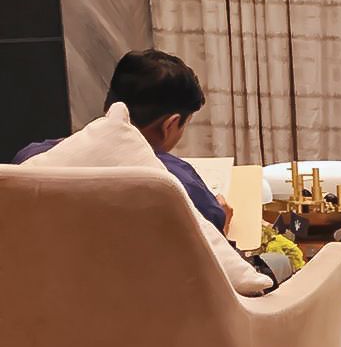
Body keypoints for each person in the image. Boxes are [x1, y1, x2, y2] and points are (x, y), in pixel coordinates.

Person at [14, 49, 232, 233]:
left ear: (108, 103)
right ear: (170, 125)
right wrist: (221, 218)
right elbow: (211, 252)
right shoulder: (175, 183)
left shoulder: (31, 158)